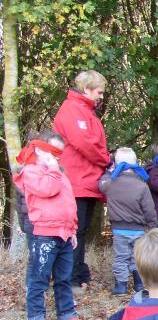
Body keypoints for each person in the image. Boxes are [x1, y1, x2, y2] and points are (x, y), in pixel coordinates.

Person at [13, 130, 88, 320]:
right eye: (52, 151)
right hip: (44, 233)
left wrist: (72, 229)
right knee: (40, 276)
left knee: (64, 276)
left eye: (59, 153)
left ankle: (66, 312)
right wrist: (54, 169)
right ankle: (36, 316)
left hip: (64, 232)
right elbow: (47, 189)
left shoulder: (59, 173)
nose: (56, 156)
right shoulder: (30, 172)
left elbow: (68, 203)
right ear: (38, 148)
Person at [53, 70, 111, 291]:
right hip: (76, 181)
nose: (101, 97)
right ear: (87, 89)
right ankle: (70, 279)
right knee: (74, 233)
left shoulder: (84, 111)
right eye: (99, 92)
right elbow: (84, 143)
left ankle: (77, 274)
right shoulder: (72, 110)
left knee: (80, 231)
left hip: (85, 181)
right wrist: (106, 159)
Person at [99, 148, 158, 294]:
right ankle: (139, 284)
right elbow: (149, 209)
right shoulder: (142, 186)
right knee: (136, 257)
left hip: (119, 229)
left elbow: (100, 185)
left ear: (116, 163)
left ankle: (121, 286)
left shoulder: (111, 183)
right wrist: (152, 226)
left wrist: (109, 172)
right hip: (138, 229)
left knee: (121, 257)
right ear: (135, 163)